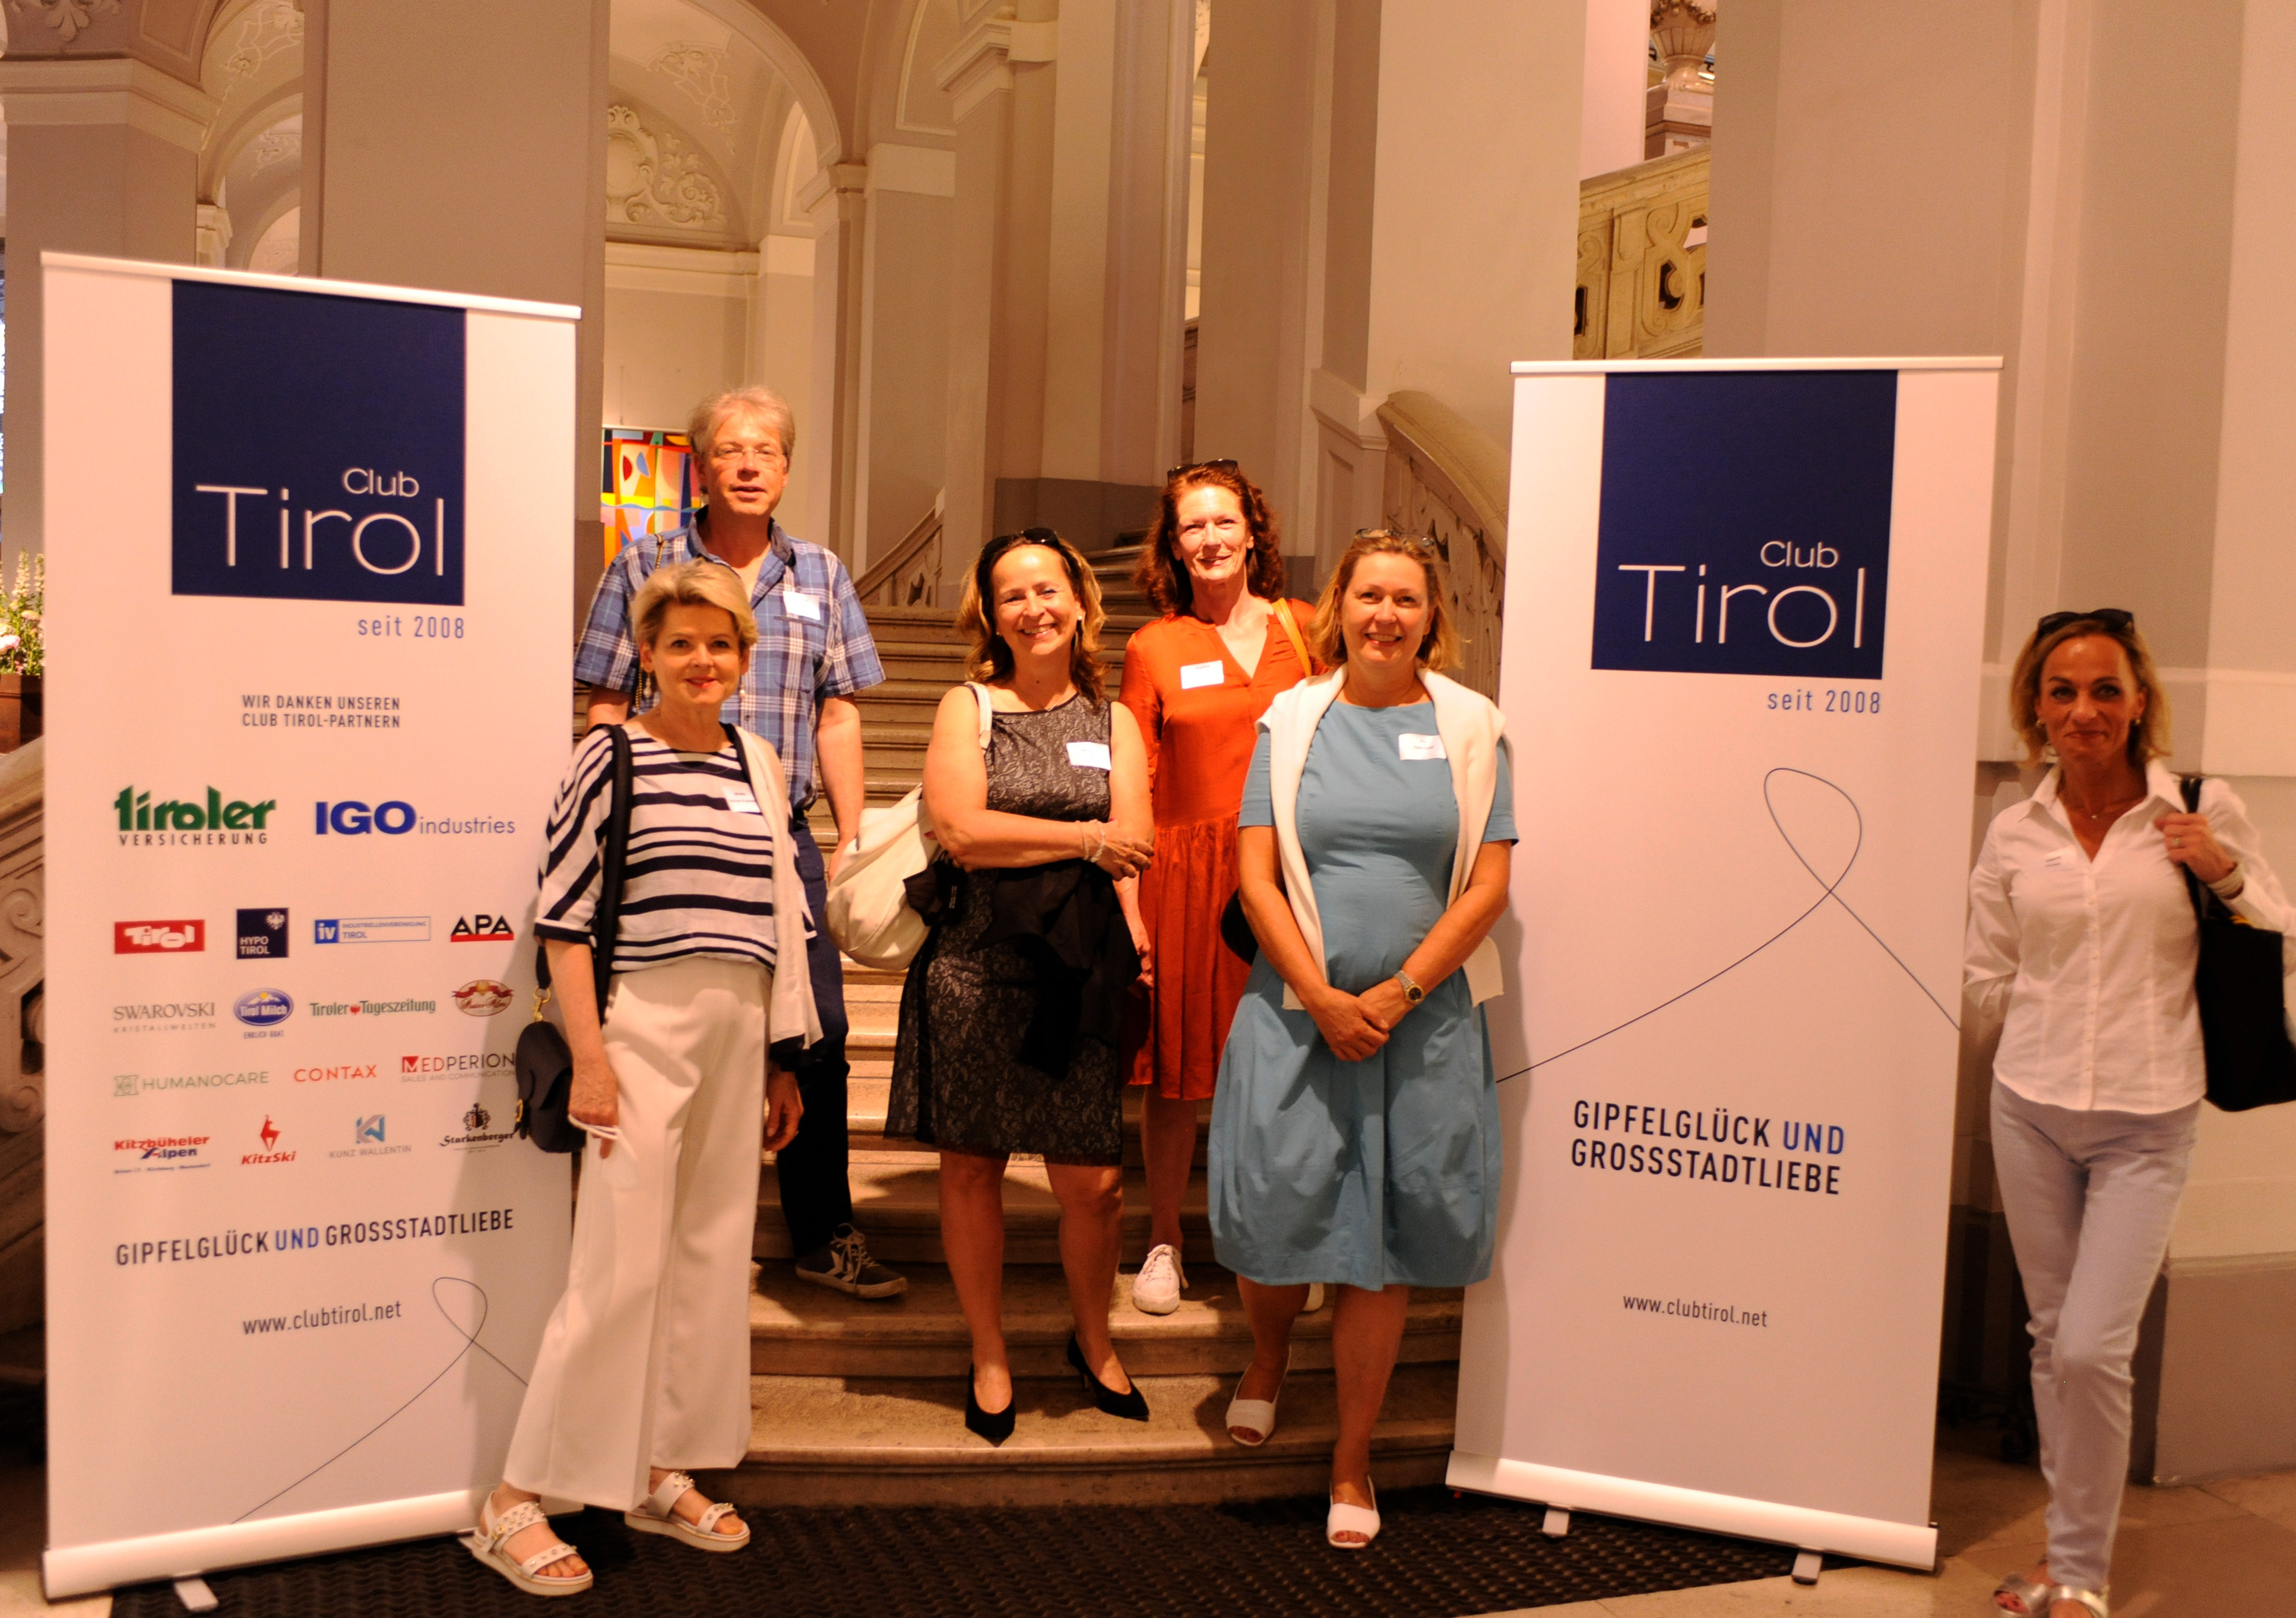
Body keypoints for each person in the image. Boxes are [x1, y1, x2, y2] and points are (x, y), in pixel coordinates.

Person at [470, 561, 819, 1597]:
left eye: (720, 643)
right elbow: (565, 917)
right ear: (648, 656)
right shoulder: (611, 753)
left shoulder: (759, 761)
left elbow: (777, 922)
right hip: (640, 1025)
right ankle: (515, 1497)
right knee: (617, 1269)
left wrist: (781, 1059)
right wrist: (591, 1056)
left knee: (709, 1260)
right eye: (680, 644)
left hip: (741, 1027)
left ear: (745, 656)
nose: (701, 660)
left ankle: (661, 1466)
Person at [1968, 611, 2291, 1618]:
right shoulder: (2015, 826)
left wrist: (2221, 869)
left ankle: (2080, 1575)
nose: (2084, 710)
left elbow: (2279, 931)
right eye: (2062, 691)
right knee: (2049, 1336)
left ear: (2139, 700)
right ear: (2035, 707)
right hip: (2029, 1106)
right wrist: (2029, 1024)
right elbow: (1985, 968)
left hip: (2149, 1117)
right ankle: (2067, 1561)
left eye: (2105, 689)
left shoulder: (2198, 806)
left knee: (2089, 1347)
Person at [1210, 531, 1515, 1550]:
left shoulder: (1472, 727)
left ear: (1433, 616)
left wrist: (1396, 992)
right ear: (1337, 607)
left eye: (1407, 599)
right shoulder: (1290, 719)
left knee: (1381, 1247)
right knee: (1272, 1218)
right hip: (1295, 1016)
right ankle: (1267, 1355)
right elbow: (1255, 878)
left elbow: (1489, 885)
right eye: (1369, 595)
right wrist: (1324, 996)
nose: (1386, 615)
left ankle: (1352, 1455)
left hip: (1421, 1025)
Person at [575, 385, 904, 1301]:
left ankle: (824, 1232)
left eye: (768, 450)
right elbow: (607, 697)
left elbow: (838, 713)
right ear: (702, 464)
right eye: (731, 449)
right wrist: (608, 808)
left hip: (780, 832)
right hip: (665, 827)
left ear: (787, 468)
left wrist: (851, 837)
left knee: (818, 1029)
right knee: (665, 1019)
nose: (751, 464)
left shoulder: (822, 573)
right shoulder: (644, 560)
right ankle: (653, 1236)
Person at [886, 528, 1157, 1443]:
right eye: (1013, 595)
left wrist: (1126, 901)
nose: (1034, 608)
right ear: (991, 616)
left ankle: (1093, 1337)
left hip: (1078, 968)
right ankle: (990, 1350)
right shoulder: (967, 707)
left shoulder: (1114, 721)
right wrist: (1083, 839)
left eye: (1048, 589)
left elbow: (1136, 841)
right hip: (975, 963)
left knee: (1095, 1183)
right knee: (972, 1167)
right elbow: (963, 830)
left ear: (1079, 601)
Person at [1117, 461, 1319, 1317]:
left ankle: (1282, 1238)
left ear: (1252, 531)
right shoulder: (1153, 647)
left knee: (1287, 1065)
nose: (1209, 539)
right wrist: (1130, 907)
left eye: (1223, 521)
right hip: (1183, 875)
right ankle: (1164, 1238)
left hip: (1287, 870)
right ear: (1173, 545)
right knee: (1174, 1076)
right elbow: (1135, 780)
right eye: (1191, 526)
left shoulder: (1304, 629)